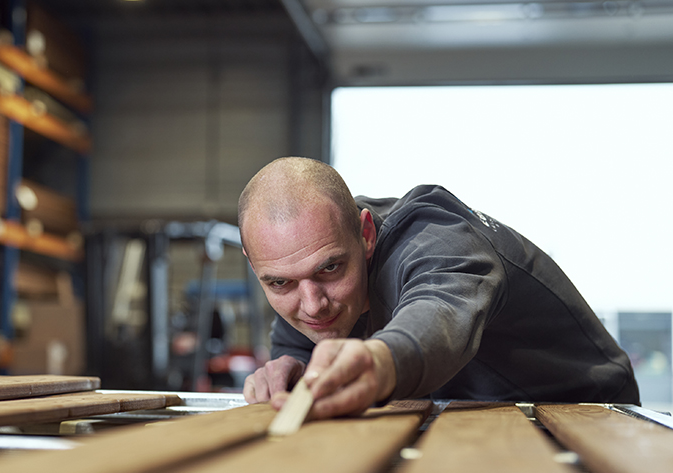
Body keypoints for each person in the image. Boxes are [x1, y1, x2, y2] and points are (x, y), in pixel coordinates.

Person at [239, 157, 639, 419]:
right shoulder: (305, 261)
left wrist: (379, 362)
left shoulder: (437, 240)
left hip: (588, 413)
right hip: (472, 421)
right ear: (255, 265)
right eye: (280, 283)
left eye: (330, 269)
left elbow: (439, 314)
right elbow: (300, 349)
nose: (312, 305)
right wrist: (293, 375)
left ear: (366, 235)